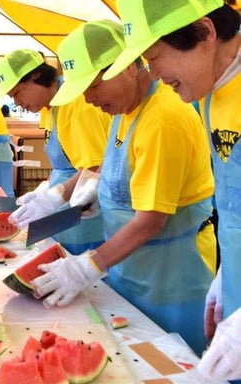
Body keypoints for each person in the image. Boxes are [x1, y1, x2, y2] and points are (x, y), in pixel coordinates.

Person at [28, 19, 217, 355]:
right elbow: (123, 174)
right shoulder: (125, 110)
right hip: (131, 272)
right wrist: (95, 193)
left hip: (173, 283)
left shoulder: (163, 117)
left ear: (129, 65)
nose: (88, 100)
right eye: (82, 90)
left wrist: (86, 265)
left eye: (94, 86)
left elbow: (152, 218)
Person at [103, 0, 241, 382]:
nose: (155, 74)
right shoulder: (210, 94)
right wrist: (229, 271)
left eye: (155, 57)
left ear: (206, 33)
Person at [0, 49, 110, 255]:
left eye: (17, 93)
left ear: (36, 76)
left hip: (85, 219)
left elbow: (95, 167)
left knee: (88, 280)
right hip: (65, 215)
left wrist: (54, 197)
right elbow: (65, 163)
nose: (17, 103)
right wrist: (46, 187)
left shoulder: (76, 106)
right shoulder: (51, 107)